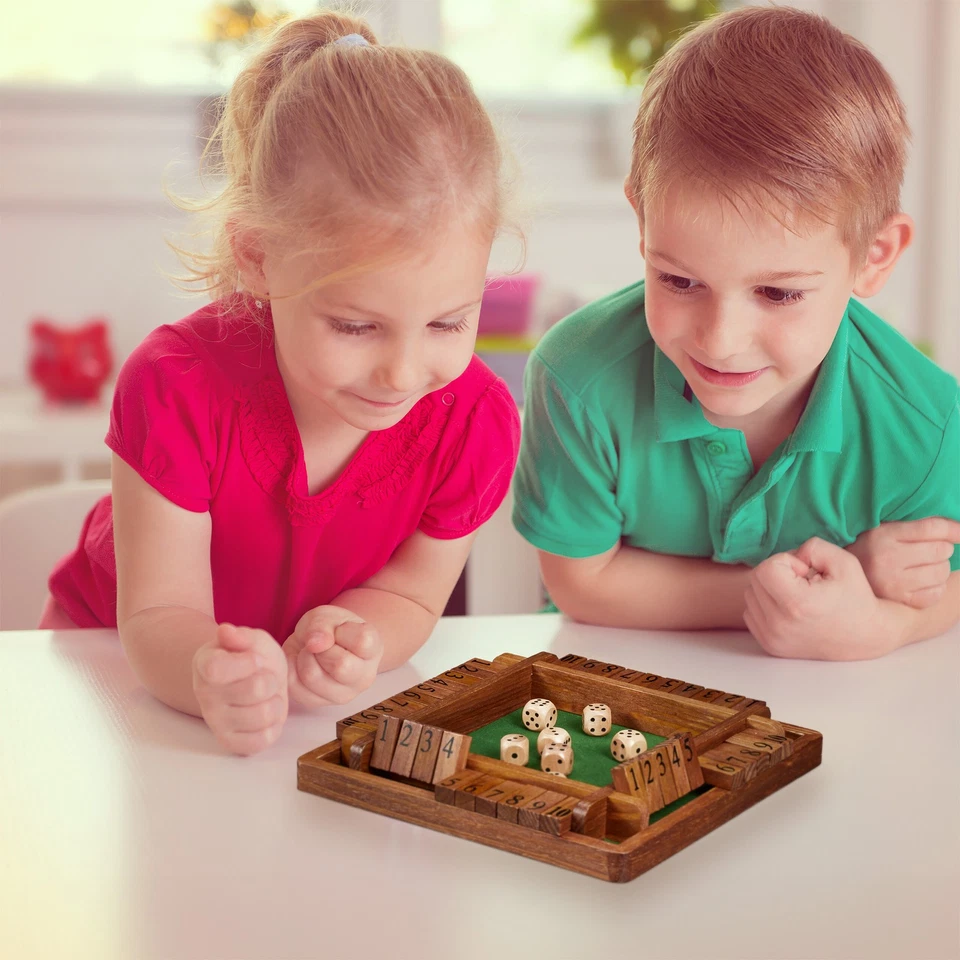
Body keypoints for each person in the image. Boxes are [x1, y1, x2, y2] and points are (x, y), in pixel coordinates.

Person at [43, 12, 521, 753]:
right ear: (259, 258)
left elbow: (412, 594)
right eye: (356, 326)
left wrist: (360, 637)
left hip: (294, 720)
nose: (402, 373)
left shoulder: (474, 423)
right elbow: (155, 618)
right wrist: (205, 670)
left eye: (450, 323)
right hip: (106, 683)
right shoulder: (177, 387)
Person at [512, 5, 959, 661]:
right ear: (642, 219)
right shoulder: (576, 378)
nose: (720, 341)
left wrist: (884, 627)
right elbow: (582, 583)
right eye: (679, 281)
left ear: (874, 256)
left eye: (778, 292)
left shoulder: (926, 422)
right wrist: (831, 580)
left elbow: (947, 581)